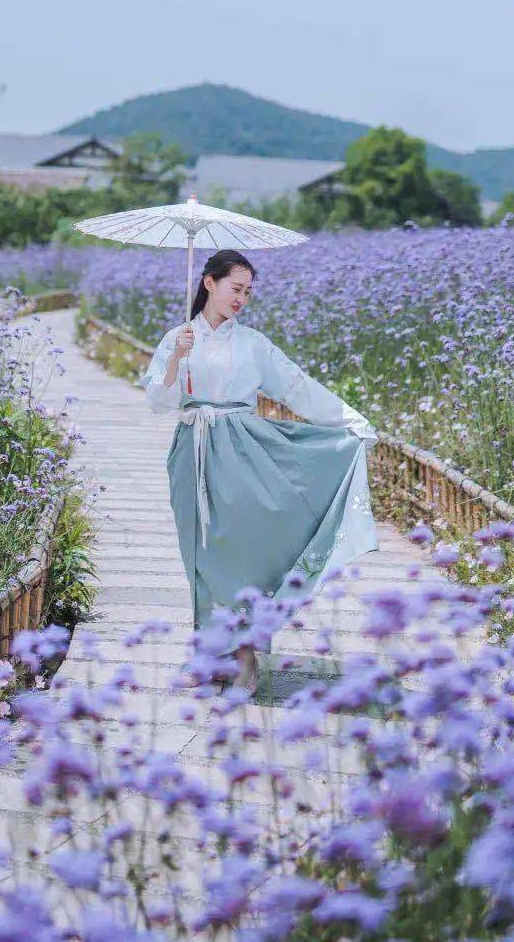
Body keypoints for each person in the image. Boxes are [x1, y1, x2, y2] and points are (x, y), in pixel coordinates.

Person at [139, 247, 379, 695]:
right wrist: (174, 359)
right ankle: (208, 654)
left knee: (241, 550)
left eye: (248, 292)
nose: (242, 299)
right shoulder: (178, 337)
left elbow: (295, 385)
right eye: (236, 288)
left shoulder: (252, 344)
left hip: (243, 449)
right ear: (209, 282)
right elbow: (158, 403)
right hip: (191, 450)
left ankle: (246, 655)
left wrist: (350, 421)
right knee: (200, 553)